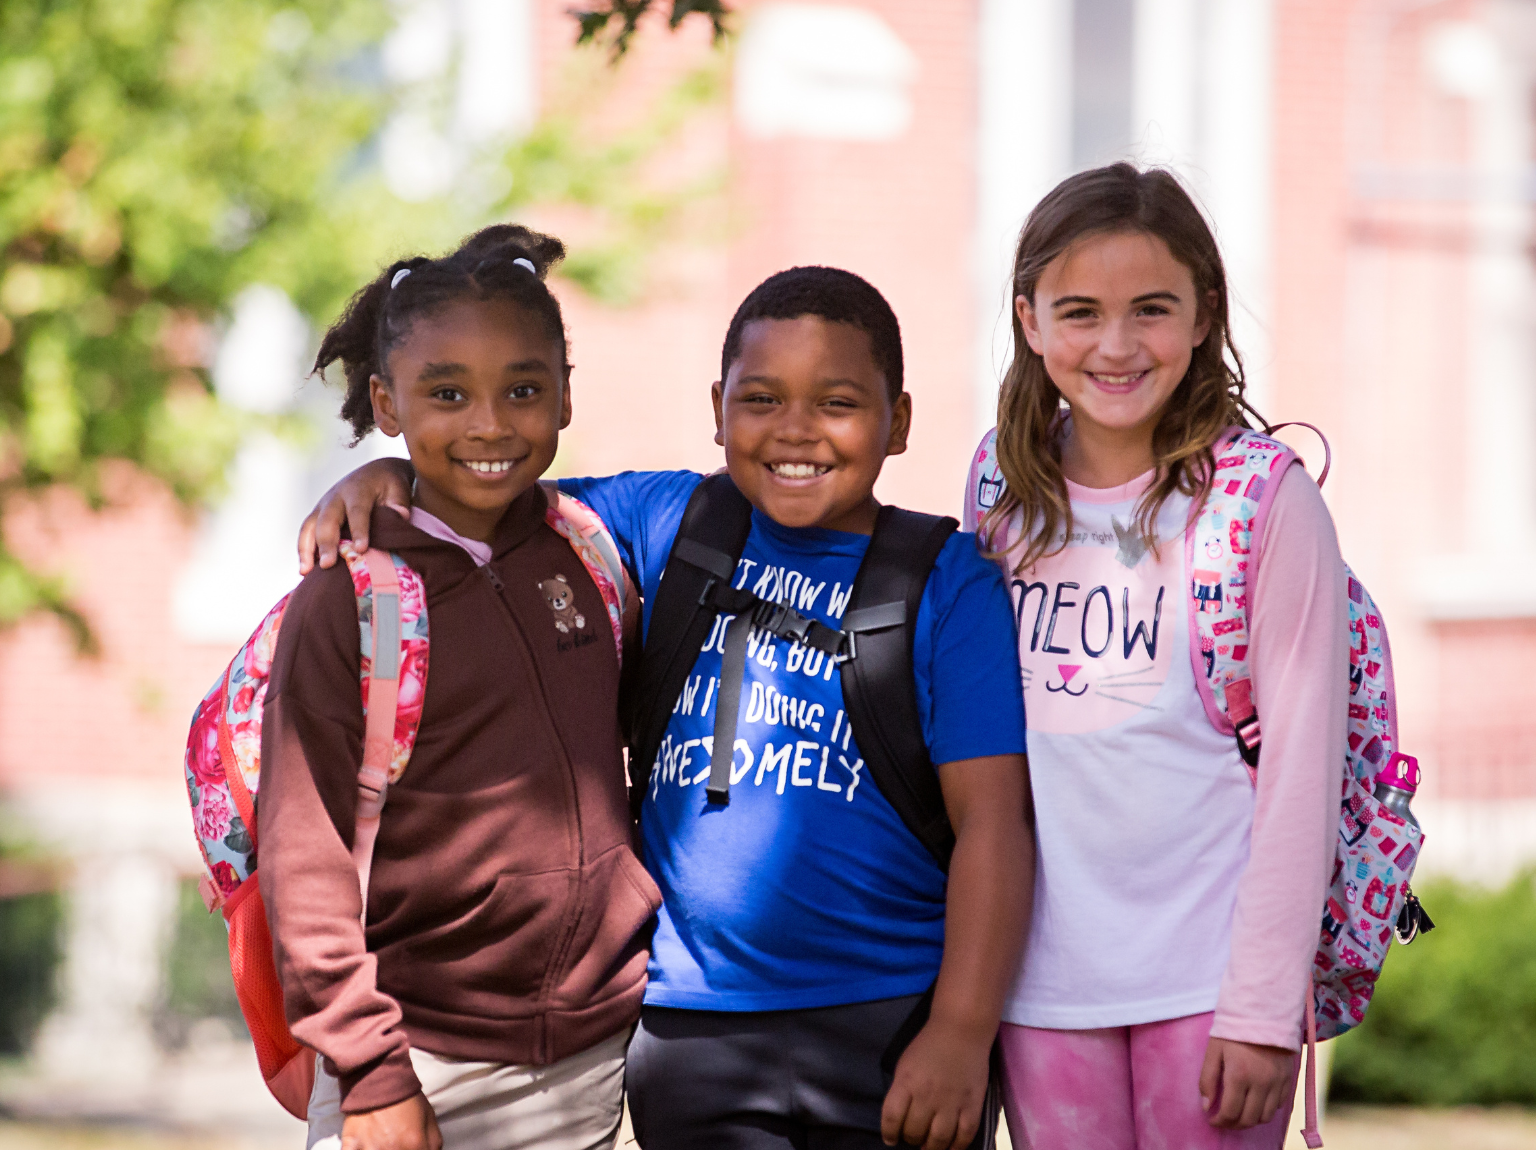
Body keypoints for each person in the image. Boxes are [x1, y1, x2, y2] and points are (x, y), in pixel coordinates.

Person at [299, 266, 1035, 1150]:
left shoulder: (947, 581)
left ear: (900, 421)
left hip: (891, 1020)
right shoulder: (669, 522)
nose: (796, 430)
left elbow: (995, 825)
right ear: (718, 408)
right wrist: (386, 475)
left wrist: (961, 1030)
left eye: (837, 403)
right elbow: (486, 484)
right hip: (689, 1029)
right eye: (761, 399)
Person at [965, 162, 1344, 1149]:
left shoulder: (1264, 499)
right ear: (1029, 319)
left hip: (1209, 987)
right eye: (1080, 312)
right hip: (1040, 986)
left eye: (1152, 309)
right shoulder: (999, 488)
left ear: (1204, 313)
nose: (1117, 345)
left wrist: (1262, 1008)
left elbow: (1303, 771)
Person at [261, 224, 660, 1150]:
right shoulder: (350, 601)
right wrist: (368, 1071)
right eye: (447, 394)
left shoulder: (592, 556)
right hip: (414, 1058)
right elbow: (304, 857)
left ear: (565, 394)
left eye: (523, 390)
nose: (489, 425)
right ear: (386, 402)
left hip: (587, 1059)